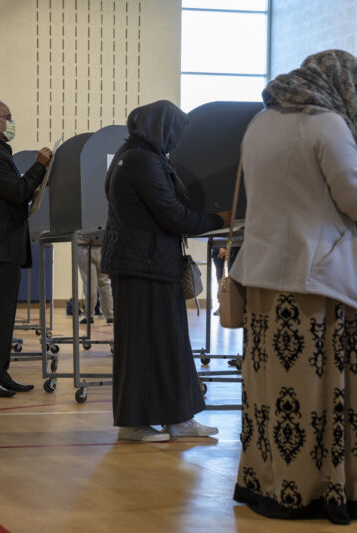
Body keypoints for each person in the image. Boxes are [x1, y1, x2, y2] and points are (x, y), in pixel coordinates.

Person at [229, 50, 357, 524]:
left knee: (269, 390)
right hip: (313, 280)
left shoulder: (260, 121)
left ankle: (266, 484)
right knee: (316, 393)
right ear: (344, 84)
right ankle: (316, 491)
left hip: (260, 276)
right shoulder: (326, 124)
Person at [101, 100, 230, 441]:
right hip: (146, 266)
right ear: (162, 128)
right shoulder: (143, 161)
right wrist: (219, 220)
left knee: (154, 345)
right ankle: (142, 422)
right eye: (175, 132)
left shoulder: (130, 155)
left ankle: (169, 420)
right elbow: (173, 215)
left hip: (143, 264)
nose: (177, 141)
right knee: (156, 345)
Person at [0, 98, 53, 397]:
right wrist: (39, 167)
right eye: (8, 116)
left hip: (5, 245)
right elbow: (18, 193)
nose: (11, 120)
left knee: (3, 316)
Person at [76, 239, 113, 324]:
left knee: (90, 284)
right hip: (101, 247)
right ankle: (110, 316)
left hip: (84, 247)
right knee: (104, 283)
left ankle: (88, 315)